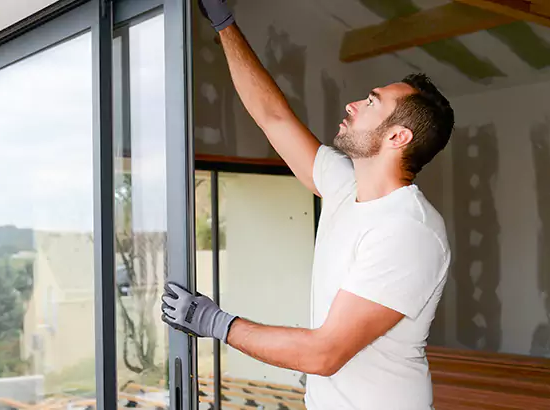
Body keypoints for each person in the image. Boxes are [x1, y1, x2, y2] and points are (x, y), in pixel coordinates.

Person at [160, 1, 455, 409]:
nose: (353, 104)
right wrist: (224, 23)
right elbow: (273, 117)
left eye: (372, 103)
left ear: (398, 137)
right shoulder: (344, 185)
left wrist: (215, 323)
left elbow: (324, 353)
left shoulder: (408, 229)